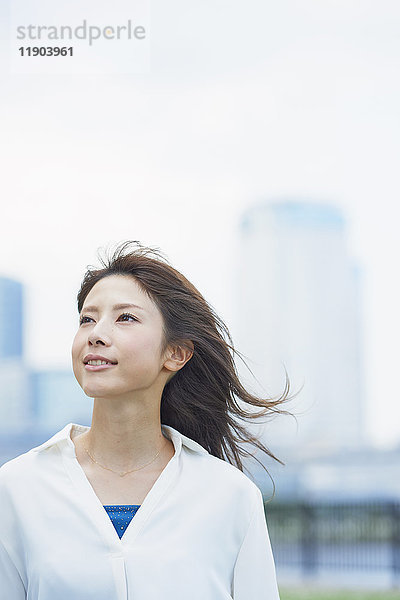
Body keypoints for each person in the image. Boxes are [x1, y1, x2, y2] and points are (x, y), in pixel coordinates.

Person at [0, 240, 292, 599]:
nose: (96, 334)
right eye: (87, 319)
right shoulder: (17, 487)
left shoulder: (231, 496)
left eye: (125, 318)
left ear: (176, 353)